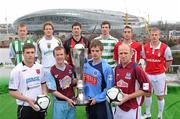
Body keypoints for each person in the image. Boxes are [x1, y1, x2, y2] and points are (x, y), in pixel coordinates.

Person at [9, 43, 48, 119]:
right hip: (25, 107)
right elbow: (12, 92)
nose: (30, 55)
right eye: (27, 52)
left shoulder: (40, 67)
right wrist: (28, 100)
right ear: (23, 53)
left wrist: (45, 96)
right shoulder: (16, 70)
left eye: (32, 52)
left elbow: (43, 84)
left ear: (35, 53)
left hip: (39, 106)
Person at [113, 43, 151, 119]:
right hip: (118, 107)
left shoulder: (137, 69)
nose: (123, 55)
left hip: (132, 108)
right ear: (118, 54)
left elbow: (147, 89)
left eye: (126, 53)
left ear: (131, 54)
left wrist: (128, 97)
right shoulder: (117, 68)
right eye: (121, 53)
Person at [142, 27, 173, 119]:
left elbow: (169, 61)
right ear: (150, 35)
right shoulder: (145, 47)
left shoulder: (165, 48)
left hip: (159, 76)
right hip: (147, 75)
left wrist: (164, 68)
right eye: (152, 35)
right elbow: (144, 58)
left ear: (159, 36)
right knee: (147, 94)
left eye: (156, 35)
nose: (154, 37)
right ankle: (148, 114)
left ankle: (160, 116)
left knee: (160, 96)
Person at [83, 40, 114, 119]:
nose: (95, 53)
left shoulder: (107, 67)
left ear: (101, 52)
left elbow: (109, 88)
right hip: (89, 101)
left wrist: (97, 98)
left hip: (101, 102)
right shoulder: (86, 65)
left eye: (97, 51)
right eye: (93, 51)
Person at [47, 46, 77, 119]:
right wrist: (67, 99)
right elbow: (53, 91)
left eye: (61, 54)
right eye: (57, 55)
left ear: (65, 55)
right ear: (54, 56)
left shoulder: (70, 68)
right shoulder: (51, 71)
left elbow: (72, 84)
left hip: (71, 101)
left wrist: (78, 80)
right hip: (59, 103)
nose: (59, 57)